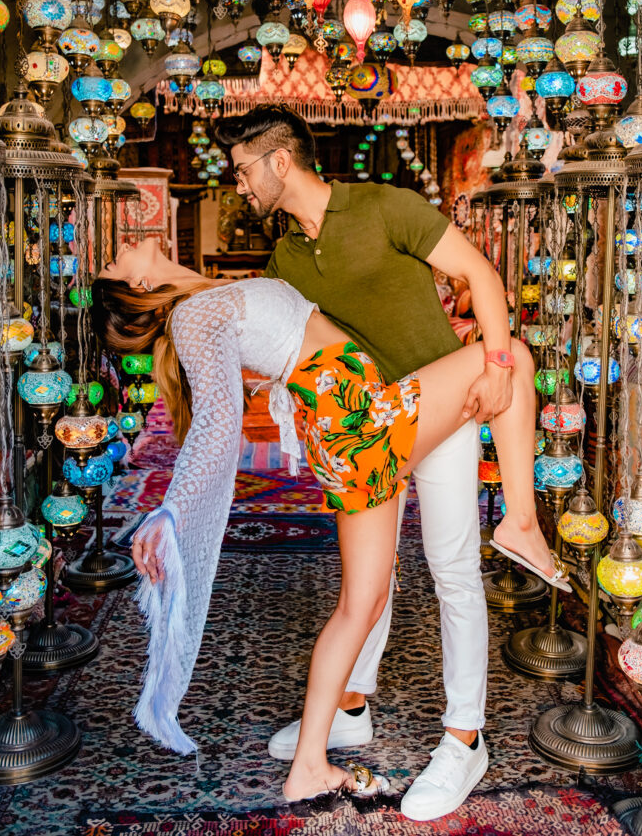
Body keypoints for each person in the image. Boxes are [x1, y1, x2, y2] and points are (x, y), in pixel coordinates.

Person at [91, 241, 568, 806]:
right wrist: (172, 508)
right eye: (113, 264)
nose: (120, 248)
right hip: (362, 416)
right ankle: (520, 522)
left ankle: (312, 761)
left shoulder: (206, 300)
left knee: (359, 603)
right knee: (509, 352)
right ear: (138, 288)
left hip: (351, 424)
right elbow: (218, 423)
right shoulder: (194, 315)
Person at [214, 106, 511, 820]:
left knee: (451, 568)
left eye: (241, 169)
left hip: (442, 408)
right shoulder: (285, 257)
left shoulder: (382, 205)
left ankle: (464, 738)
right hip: (369, 427)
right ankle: (350, 708)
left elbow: (478, 271)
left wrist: (497, 363)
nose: (238, 185)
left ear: (279, 161)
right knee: (369, 581)